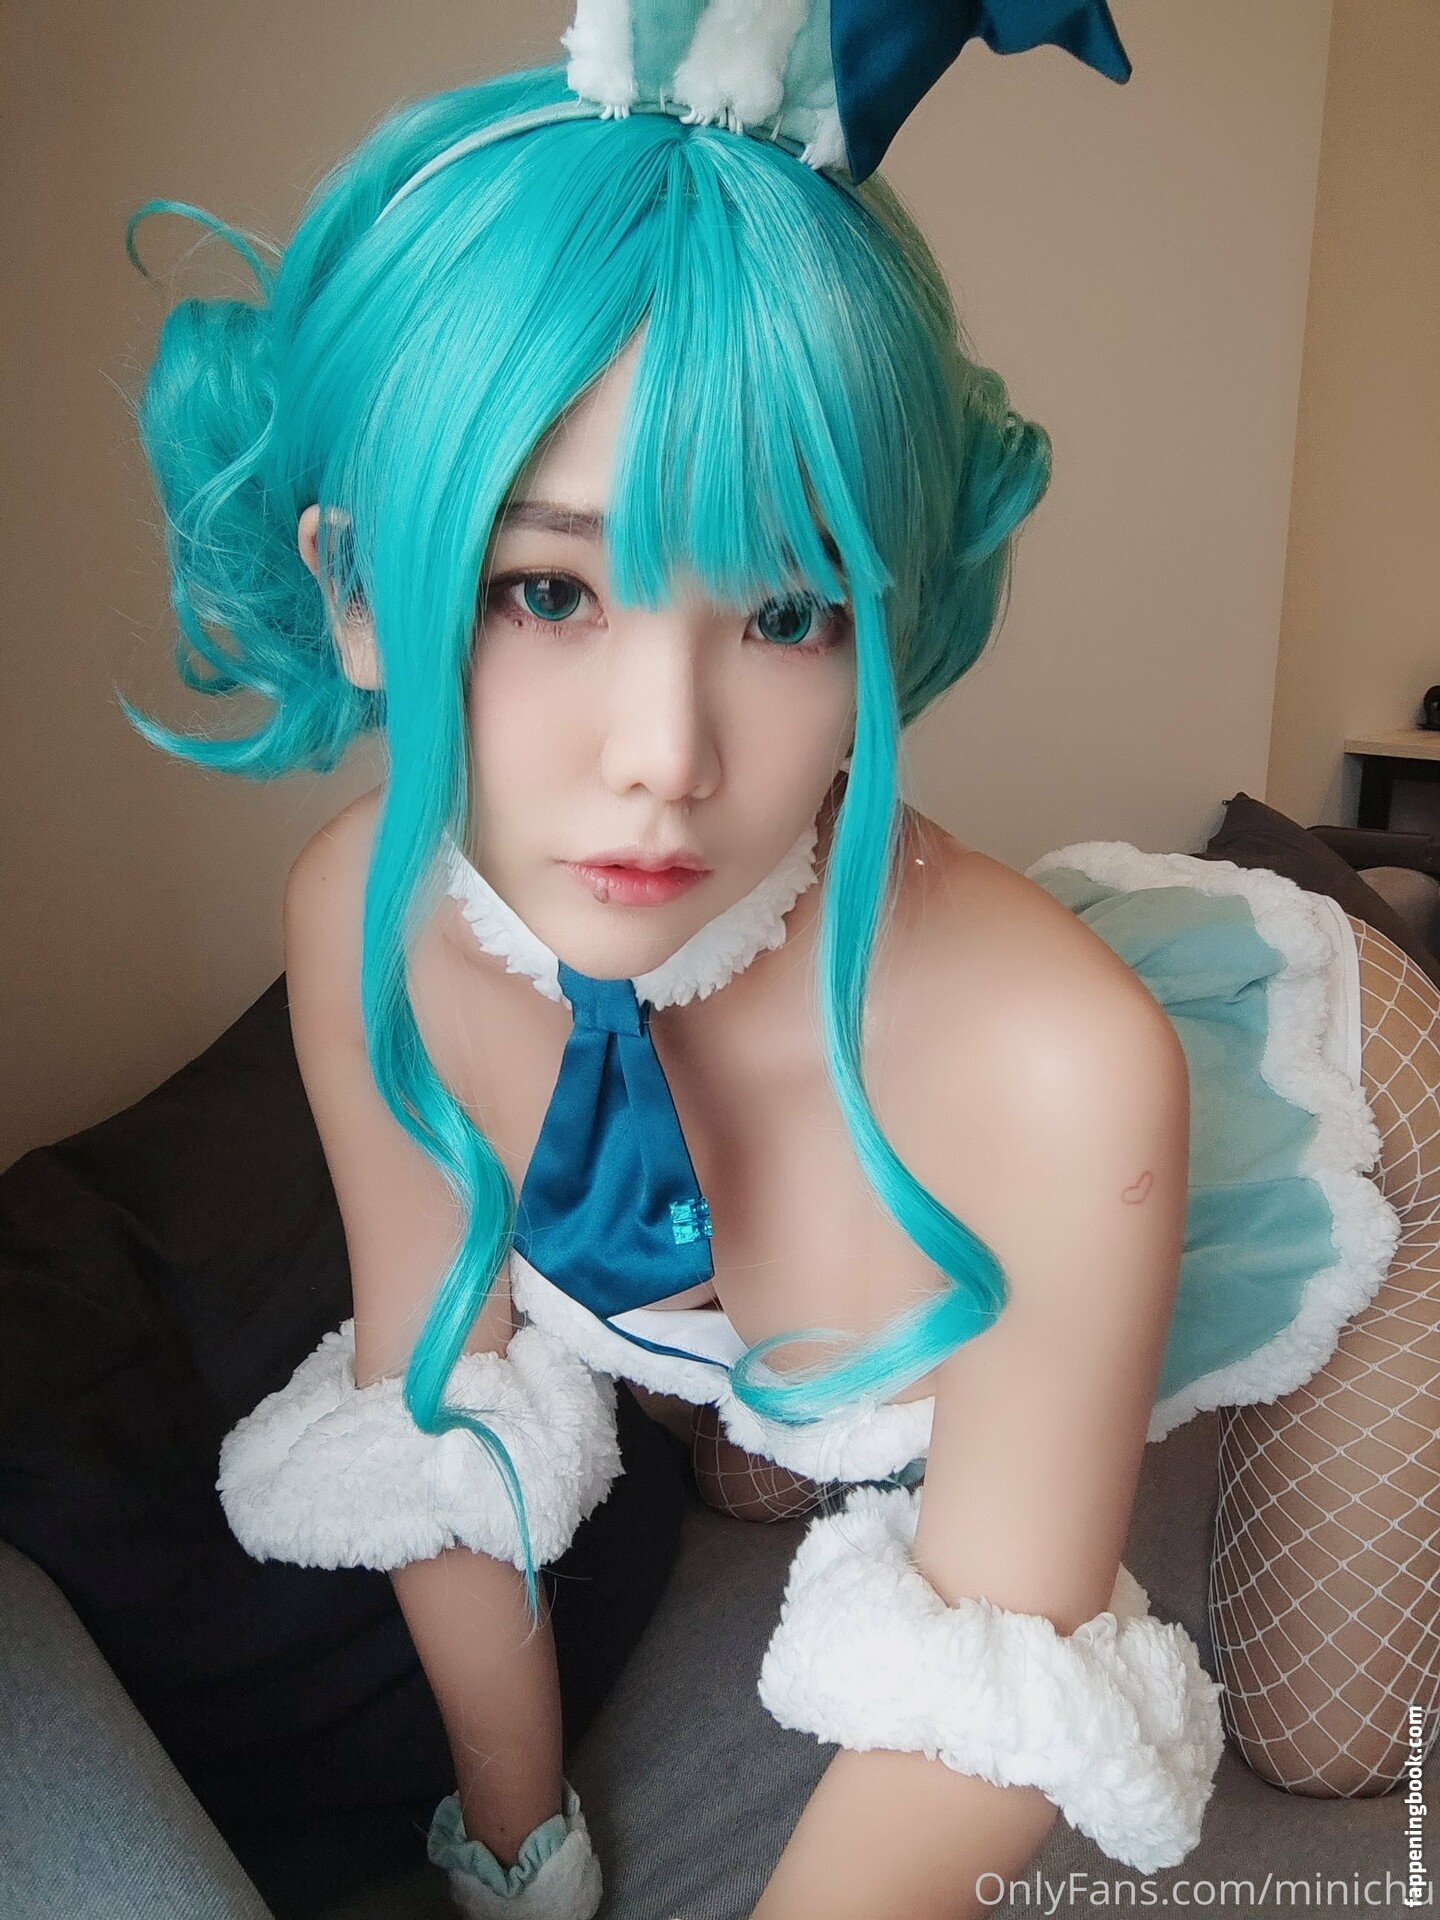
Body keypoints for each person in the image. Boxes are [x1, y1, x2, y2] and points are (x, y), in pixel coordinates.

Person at [122, 12, 1440, 1917]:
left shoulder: (1060, 1071)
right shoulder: (364, 925)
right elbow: (437, 1401)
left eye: (792, 606)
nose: (667, 755)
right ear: (354, 592)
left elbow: (998, 1689)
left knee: (1325, 1738)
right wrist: (518, 1849)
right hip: (928, 1095)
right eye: (547, 588)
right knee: (774, 1446)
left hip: (1332, 1093)